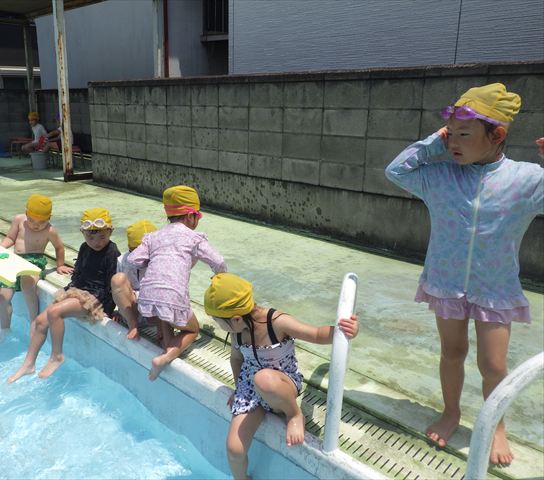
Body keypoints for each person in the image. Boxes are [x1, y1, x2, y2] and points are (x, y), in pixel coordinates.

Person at [385, 83, 543, 465]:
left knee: (494, 365)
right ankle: (451, 412)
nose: (453, 143)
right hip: (447, 283)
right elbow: (396, 170)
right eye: (450, 134)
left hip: (495, 289)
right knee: (452, 352)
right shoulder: (441, 176)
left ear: (497, 136)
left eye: (464, 135)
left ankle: (496, 426)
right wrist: (434, 143)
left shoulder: (525, 179)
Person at [203, 273, 359, 480]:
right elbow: (236, 359)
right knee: (235, 450)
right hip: (252, 390)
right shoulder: (237, 331)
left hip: (282, 384)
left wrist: (343, 330)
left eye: (216, 319)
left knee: (264, 379)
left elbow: (316, 334)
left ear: (236, 318)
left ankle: (294, 415)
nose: (216, 323)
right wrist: (239, 389)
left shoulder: (276, 322)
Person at [7, 208, 120, 383]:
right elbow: (79, 274)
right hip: (78, 291)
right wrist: (68, 292)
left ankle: (57, 356)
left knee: (54, 312)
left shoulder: (112, 252)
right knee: (40, 321)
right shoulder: (84, 248)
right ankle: (28, 364)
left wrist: (109, 309)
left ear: (111, 232)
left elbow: (111, 283)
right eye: (90, 238)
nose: (96, 242)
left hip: (95, 297)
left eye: (102, 237)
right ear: (83, 234)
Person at [127, 185, 227, 380]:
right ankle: (165, 358)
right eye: (198, 216)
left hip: (147, 296)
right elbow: (219, 261)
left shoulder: (153, 236)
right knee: (192, 329)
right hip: (172, 297)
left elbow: (132, 260)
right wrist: (220, 278)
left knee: (166, 311)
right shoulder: (193, 238)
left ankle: (167, 342)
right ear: (190, 216)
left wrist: (155, 262)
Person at [0, 194, 72, 342]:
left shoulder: (50, 230)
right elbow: (10, 238)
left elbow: (59, 247)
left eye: (42, 222)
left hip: (34, 262)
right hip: (15, 261)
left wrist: (60, 265)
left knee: (27, 283)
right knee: (3, 296)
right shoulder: (19, 220)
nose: (36, 225)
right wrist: (1, 246)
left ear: (49, 218)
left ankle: (34, 323)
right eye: (31, 220)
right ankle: (4, 330)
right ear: (26, 213)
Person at [111, 219, 157, 340]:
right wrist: (118, 310)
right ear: (129, 248)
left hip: (155, 315)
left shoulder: (162, 260)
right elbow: (119, 290)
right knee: (117, 279)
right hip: (133, 310)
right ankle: (133, 324)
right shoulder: (122, 260)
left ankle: (163, 327)